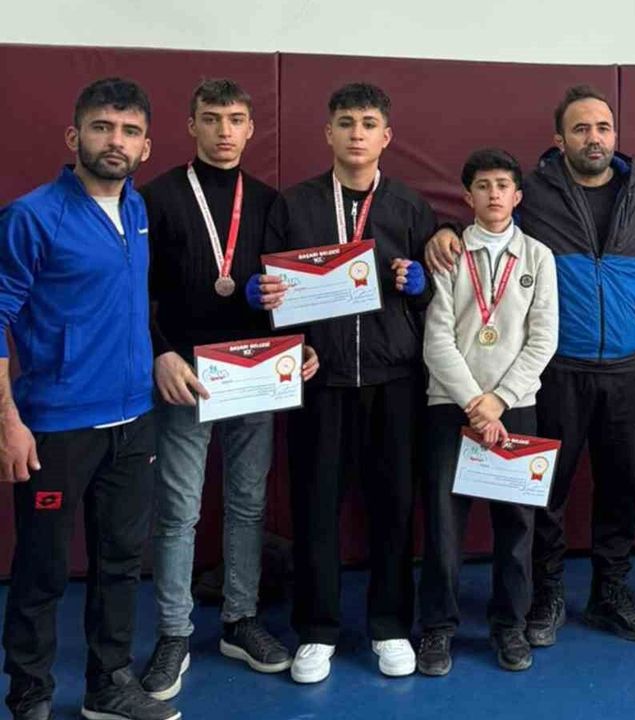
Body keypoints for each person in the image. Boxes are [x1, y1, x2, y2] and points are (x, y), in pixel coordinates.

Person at [424, 85, 635, 646]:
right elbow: (486, 223)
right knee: (546, 490)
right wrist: (440, 232)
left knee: (623, 487)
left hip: (629, 368)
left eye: (603, 128)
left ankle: (611, 592)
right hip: (556, 369)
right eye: (581, 129)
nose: (594, 138)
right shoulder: (534, 192)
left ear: (615, 135)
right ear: (559, 139)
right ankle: (547, 594)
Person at [0, 78, 181, 720]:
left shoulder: (138, 210)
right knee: (43, 568)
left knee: (121, 561)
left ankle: (109, 685)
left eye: (130, 131)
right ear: (75, 136)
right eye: (103, 127)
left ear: (146, 147)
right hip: (57, 426)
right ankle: (30, 693)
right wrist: (8, 421)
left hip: (135, 420)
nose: (116, 141)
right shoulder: (31, 216)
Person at [137, 78, 316, 701]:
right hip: (187, 374)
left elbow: (288, 290)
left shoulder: (268, 201)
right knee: (179, 510)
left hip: (257, 372)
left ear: (250, 128)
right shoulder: (157, 196)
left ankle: (241, 620)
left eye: (235, 119)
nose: (224, 131)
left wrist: (298, 339)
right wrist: (160, 352)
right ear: (192, 125)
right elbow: (135, 288)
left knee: (247, 504)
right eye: (211, 118)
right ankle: (174, 633)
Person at [257, 82, 436, 684]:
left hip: (395, 379)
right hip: (321, 380)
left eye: (368, 123)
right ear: (328, 133)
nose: (357, 133)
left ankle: (390, 625)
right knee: (316, 507)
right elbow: (276, 295)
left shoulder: (410, 206)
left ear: (386, 136)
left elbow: (435, 298)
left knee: (394, 505)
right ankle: (317, 629)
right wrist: (285, 328)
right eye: (346, 123)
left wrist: (419, 287)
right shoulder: (295, 205)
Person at [417, 148, 558, 674]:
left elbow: (543, 339)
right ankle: (437, 628)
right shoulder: (450, 254)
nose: (494, 194)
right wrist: (474, 402)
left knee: (517, 525)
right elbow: (436, 339)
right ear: (468, 196)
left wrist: (499, 400)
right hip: (449, 405)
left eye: (503, 185)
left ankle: (509, 626)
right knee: (443, 525)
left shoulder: (538, 257)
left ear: (517, 196)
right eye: (483, 185)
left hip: (515, 406)